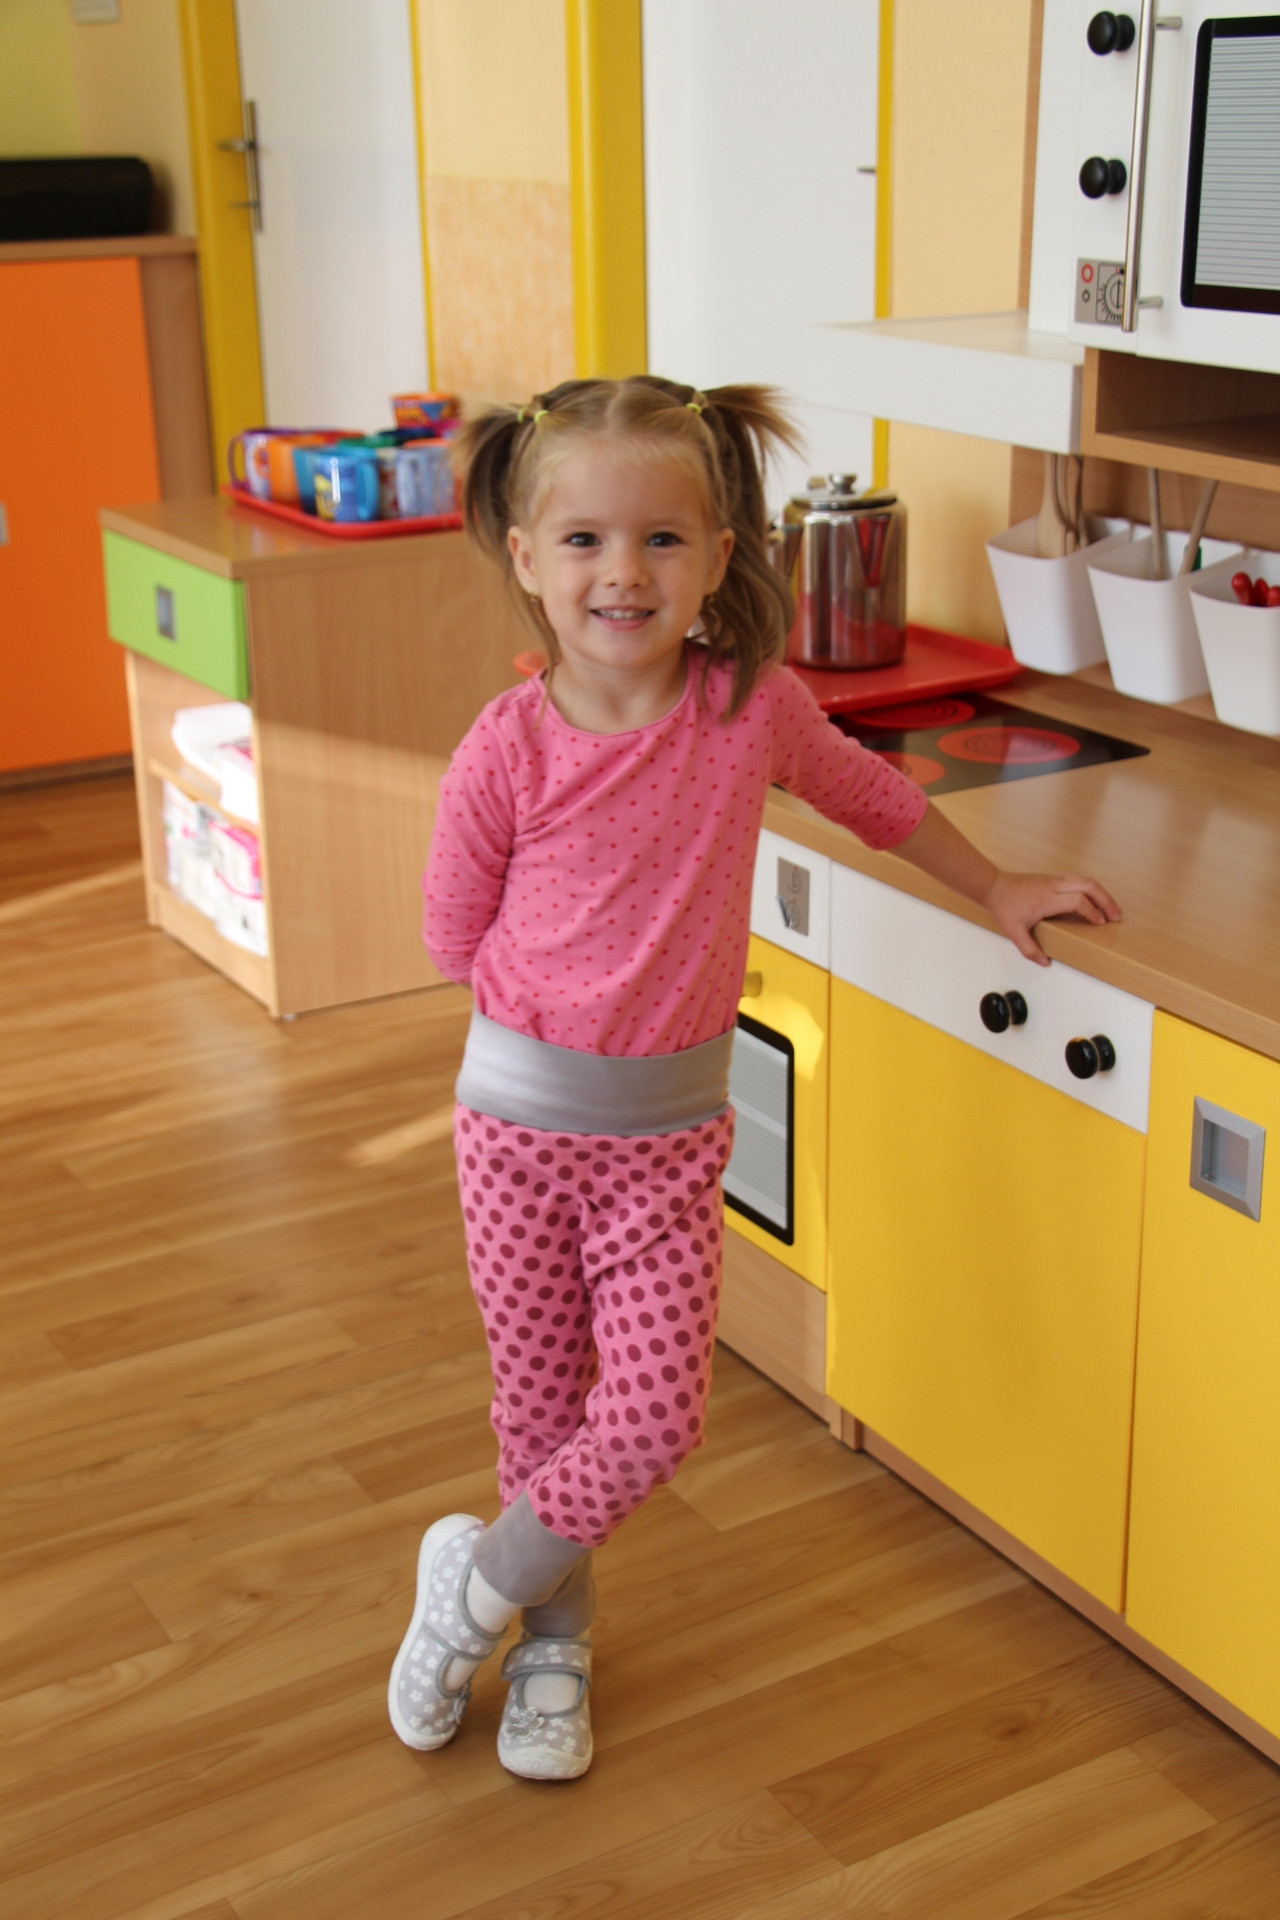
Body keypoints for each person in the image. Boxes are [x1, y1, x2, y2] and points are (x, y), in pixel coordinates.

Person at [388, 376, 1120, 1781]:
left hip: (669, 1142)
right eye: (586, 540)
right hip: (517, 1133)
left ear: (720, 556)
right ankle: (551, 1648)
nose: (624, 571)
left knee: (651, 1418)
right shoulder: (504, 749)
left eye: (662, 538)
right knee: (540, 1413)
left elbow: (876, 797)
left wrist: (996, 888)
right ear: (528, 559)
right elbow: (445, 939)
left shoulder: (747, 707)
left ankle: (471, 1591)